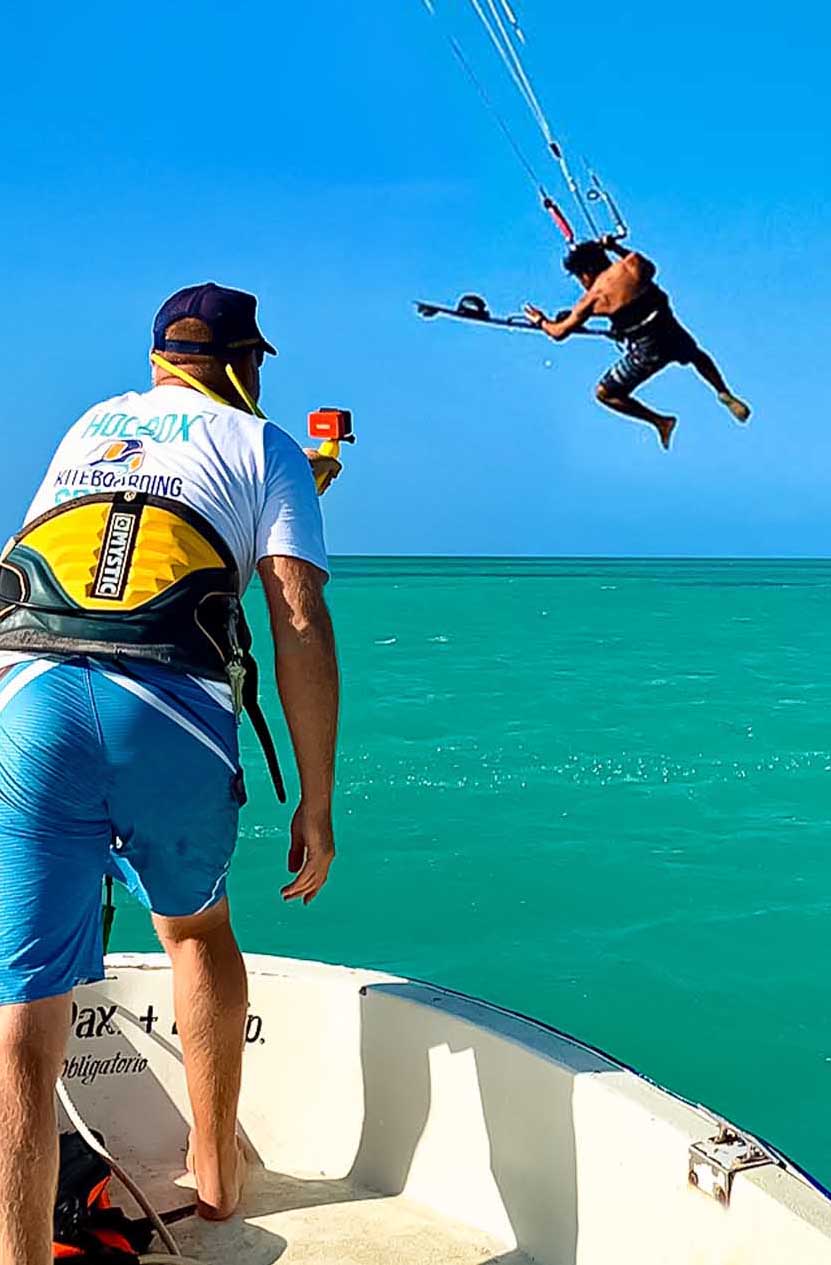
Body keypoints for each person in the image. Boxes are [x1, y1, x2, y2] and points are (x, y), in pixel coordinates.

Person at [0, 282, 340, 1263]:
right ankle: (219, 1178)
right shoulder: (266, 442)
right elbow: (297, 617)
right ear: (242, 362)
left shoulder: (90, 424)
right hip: (165, 708)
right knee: (195, 929)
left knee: (23, 1013)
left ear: (159, 359)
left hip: (26, 697)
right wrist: (315, 799)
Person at [524, 236, 751, 450]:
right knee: (696, 356)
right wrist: (615, 248)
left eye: (580, 278)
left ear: (587, 272)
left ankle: (661, 422)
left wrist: (542, 321)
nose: (583, 284)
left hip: (648, 352)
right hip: (670, 330)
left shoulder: (593, 299)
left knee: (605, 393)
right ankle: (722, 391)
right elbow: (649, 269)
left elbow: (558, 333)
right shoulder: (633, 264)